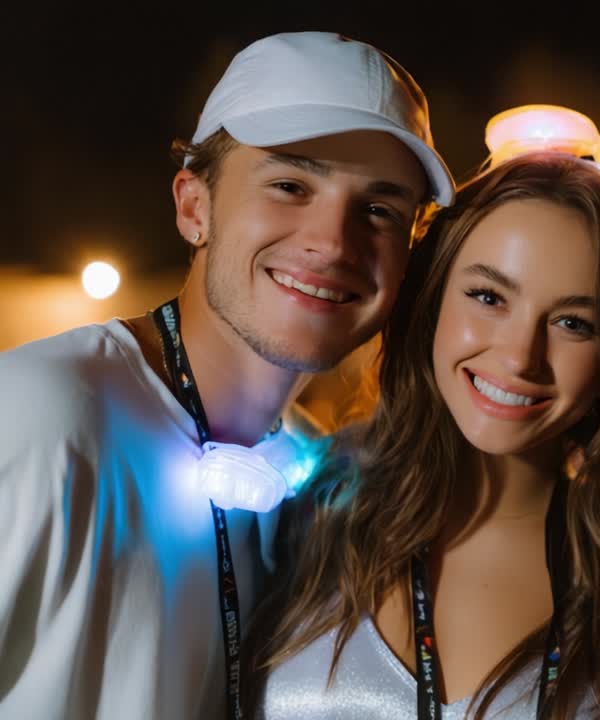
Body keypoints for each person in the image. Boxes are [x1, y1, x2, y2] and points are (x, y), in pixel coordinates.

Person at [0, 31, 454, 719]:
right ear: (195, 207)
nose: (333, 242)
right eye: (290, 185)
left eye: (379, 210)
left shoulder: (306, 479)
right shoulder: (42, 414)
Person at [249, 105, 600, 720]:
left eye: (573, 323)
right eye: (488, 296)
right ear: (432, 295)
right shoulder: (301, 504)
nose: (519, 355)